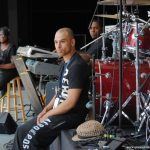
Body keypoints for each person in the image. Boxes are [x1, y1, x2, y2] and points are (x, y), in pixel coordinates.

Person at [12, 27, 90, 150]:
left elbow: (70, 102)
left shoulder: (77, 66)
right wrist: (46, 109)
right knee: (21, 131)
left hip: (71, 115)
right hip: (58, 112)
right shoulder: (65, 63)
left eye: (62, 41)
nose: (58, 46)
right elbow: (59, 92)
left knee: (32, 138)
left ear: (72, 42)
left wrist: (49, 114)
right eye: (56, 42)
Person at [0, 26, 18, 98]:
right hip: (1, 71)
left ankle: (3, 98)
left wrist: (1, 66)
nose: (0, 36)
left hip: (10, 72)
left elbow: (14, 65)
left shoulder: (11, 47)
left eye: (2, 35)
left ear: (6, 36)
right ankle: (3, 99)